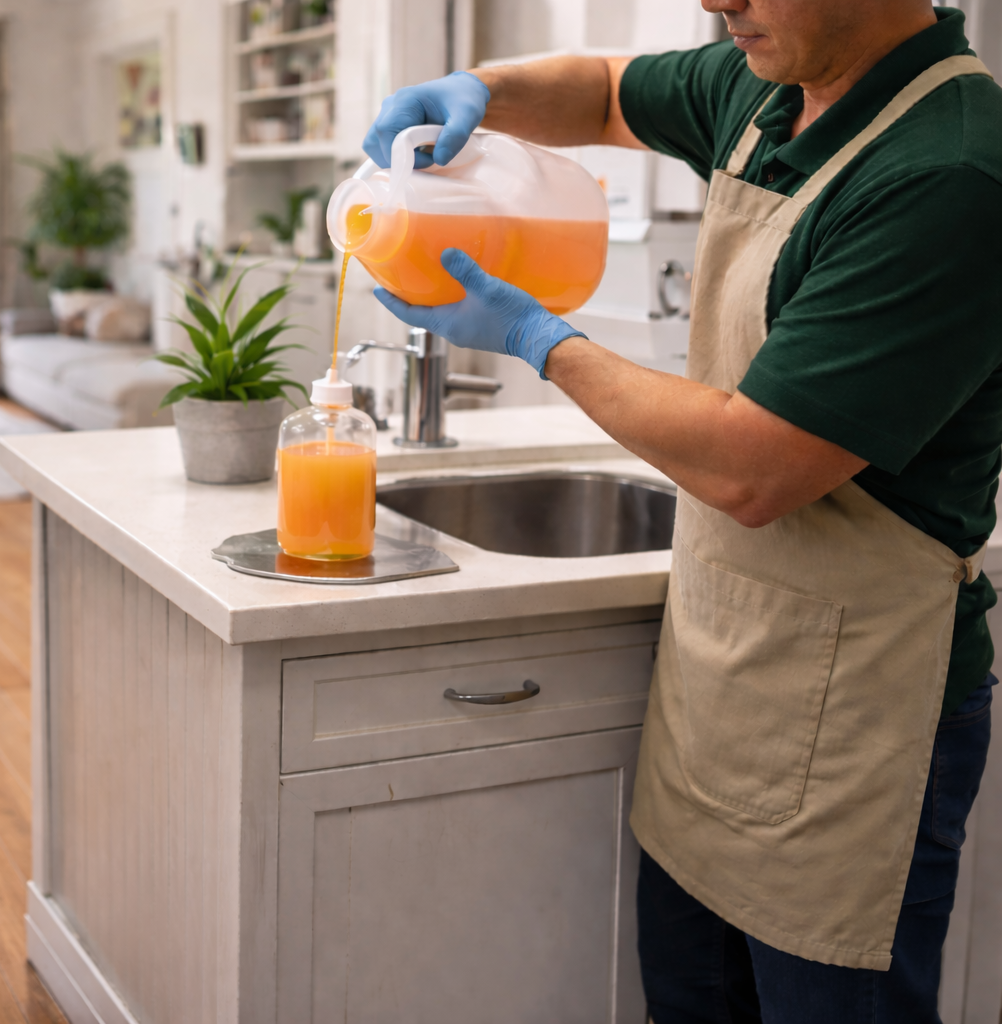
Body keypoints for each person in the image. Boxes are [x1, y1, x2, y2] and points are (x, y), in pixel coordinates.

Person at [361, 2, 1002, 1020]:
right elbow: (606, 93)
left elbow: (755, 468)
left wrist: (538, 339)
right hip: (723, 689)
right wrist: (484, 91)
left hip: (863, 721)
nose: (714, 1)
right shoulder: (766, 85)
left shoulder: (948, 172)